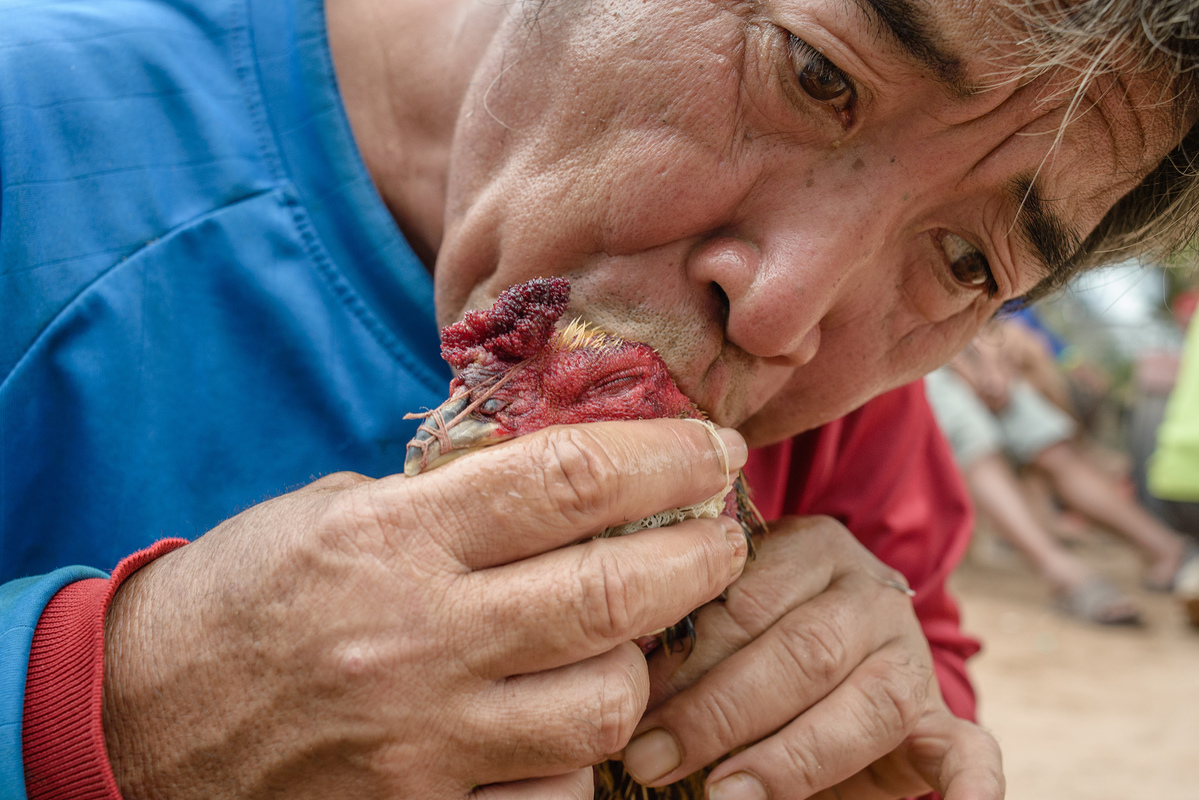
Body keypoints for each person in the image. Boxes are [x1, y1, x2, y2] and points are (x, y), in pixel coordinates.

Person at [2, 0, 1197, 797]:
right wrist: (107, 703)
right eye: (812, 71)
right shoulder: (40, 135)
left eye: (966, 260)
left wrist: (847, 731)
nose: (783, 312)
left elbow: (925, 678)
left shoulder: (850, 423)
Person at [927, 324, 1191, 625]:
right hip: (930, 361)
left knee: (1052, 445)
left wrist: (993, 369)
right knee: (976, 442)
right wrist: (973, 368)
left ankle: (1170, 551)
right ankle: (1063, 573)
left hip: (977, 352)